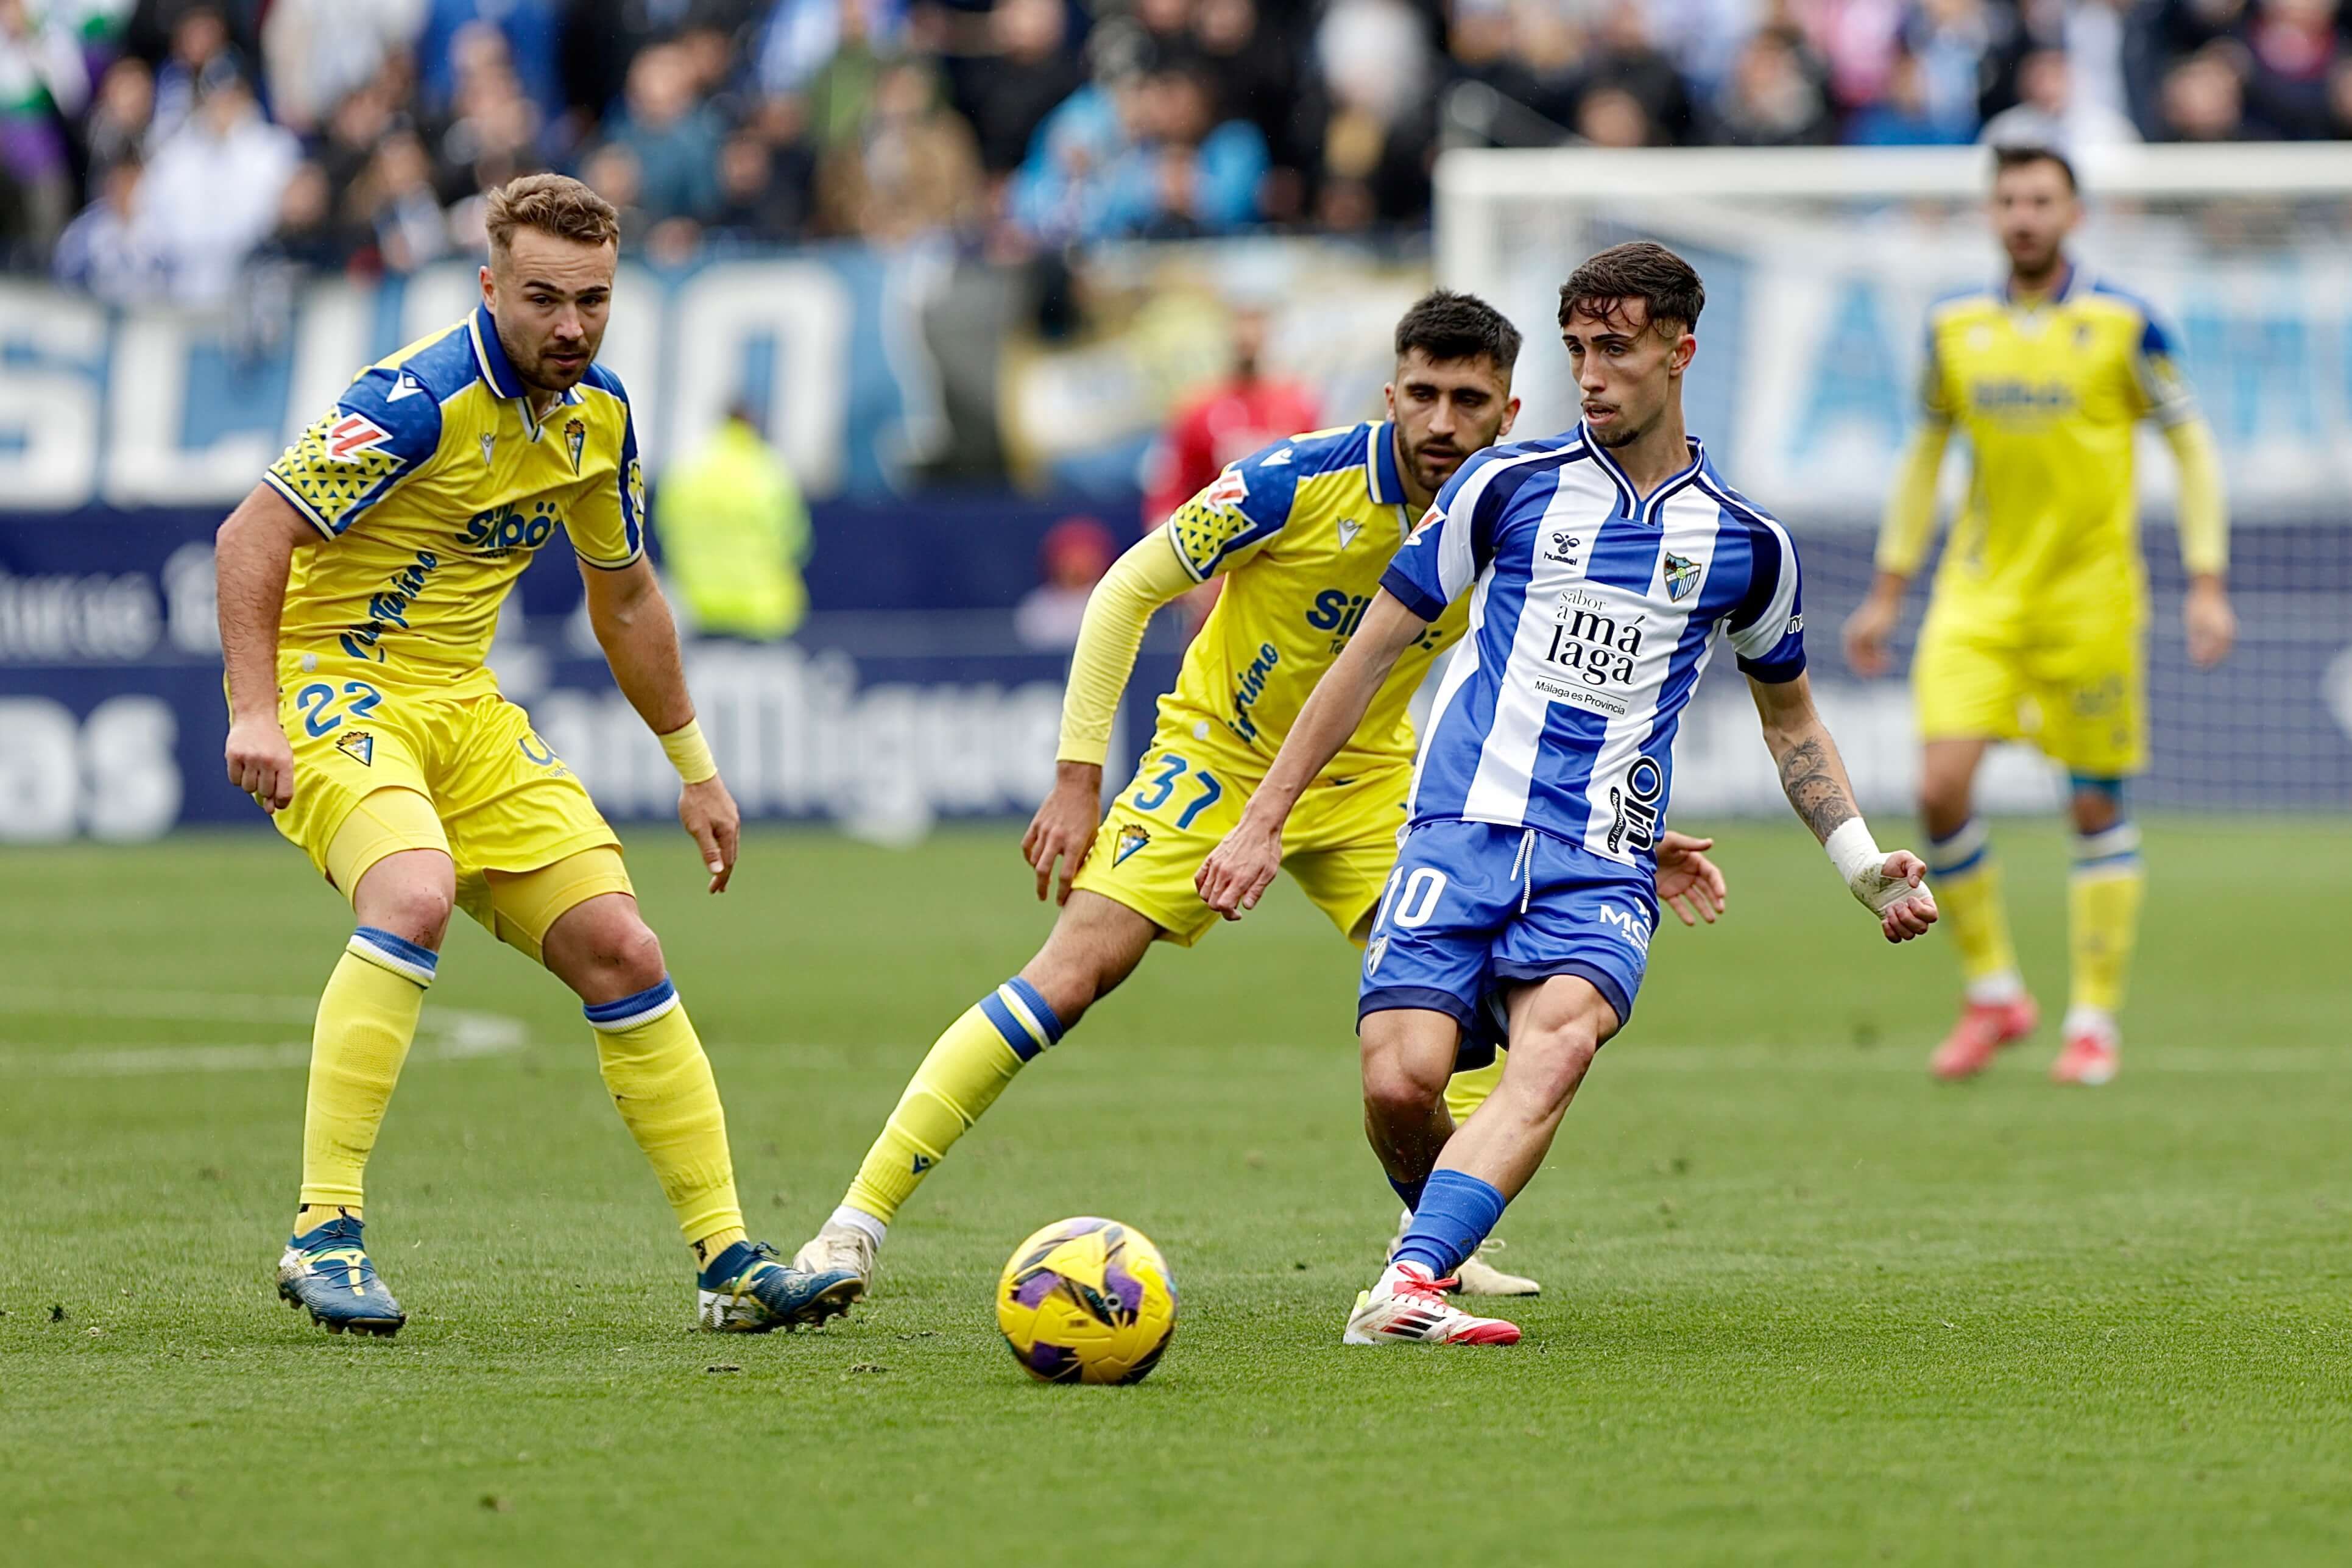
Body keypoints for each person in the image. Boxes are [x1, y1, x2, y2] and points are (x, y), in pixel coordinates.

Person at [791, 292, 1704, 1301]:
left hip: (1371, 785)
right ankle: (852, 1223)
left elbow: (1567, 678)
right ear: (1389, 393)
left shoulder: (1513, 509)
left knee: (1498, 989)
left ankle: (1432, 1231)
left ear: (1508, 409)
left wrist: (1610, 826)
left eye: (1469, 400)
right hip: (1217, 758)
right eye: (1424, 395)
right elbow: (1125, 588)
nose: (1443, 422)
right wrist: (1077, 775)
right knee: (1074, 969)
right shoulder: (1291, 479)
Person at [1197, 243, 1938, 1347]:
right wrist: (1264, 816)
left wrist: (1859, 862)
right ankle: (1438, 1225)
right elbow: (1366, 654)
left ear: (1680, 353)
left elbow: (1792, 722)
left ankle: (1409, 1281)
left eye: (1618, 349)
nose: (1592, 374)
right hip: (1459, 824)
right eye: (1579, 350)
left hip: (1602, 854)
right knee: (1401, 1082)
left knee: (1559, 1043)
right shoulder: (1506, 487)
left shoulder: (1745, 545)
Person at [216, 174, 856, 1338]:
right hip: (332, 687)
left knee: (623, 944)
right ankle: (323, 1230)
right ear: (490, 286)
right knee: (412, 891)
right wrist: (254, 711)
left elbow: (626, 598)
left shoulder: (596, 416)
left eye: (594, 301)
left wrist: (696, 767)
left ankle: (729, 1260)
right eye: (543, 298)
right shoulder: (413, 400)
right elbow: (252, 533)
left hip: (463, 705)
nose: (570, 325)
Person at [1842, 146, 2233, 1087]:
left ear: (2073, 213)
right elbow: (1925, 460)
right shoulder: (1953, 328)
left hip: (2090, 604)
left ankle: (2093, 1018)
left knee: (2093, 803)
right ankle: (1995, 993)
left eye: (2040, 200)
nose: (2023, 214)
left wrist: (2206, 578)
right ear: (1991, 213)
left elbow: (2191, 447)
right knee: (1938, 791)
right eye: (2008, 199)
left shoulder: (2125, 324)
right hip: (1977, 599)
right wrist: (1889, 588)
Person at [654, 400, 814, 641]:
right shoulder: (768, 469)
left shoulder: (687, 469)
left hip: (698, 607)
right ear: (752, 424)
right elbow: (797, 542)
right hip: (762, 610)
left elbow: (664, 530)